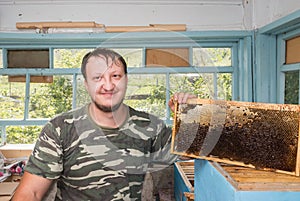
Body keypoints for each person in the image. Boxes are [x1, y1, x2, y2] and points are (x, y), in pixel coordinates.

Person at [12, 48, 195, 201]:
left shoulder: (149, 127)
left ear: (126, 80)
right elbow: (31, 193)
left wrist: (191, 115)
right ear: (86, 84)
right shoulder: (60, 129)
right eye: (98, 78)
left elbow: (194, 152)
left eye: (115, 76)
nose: (108, 86)